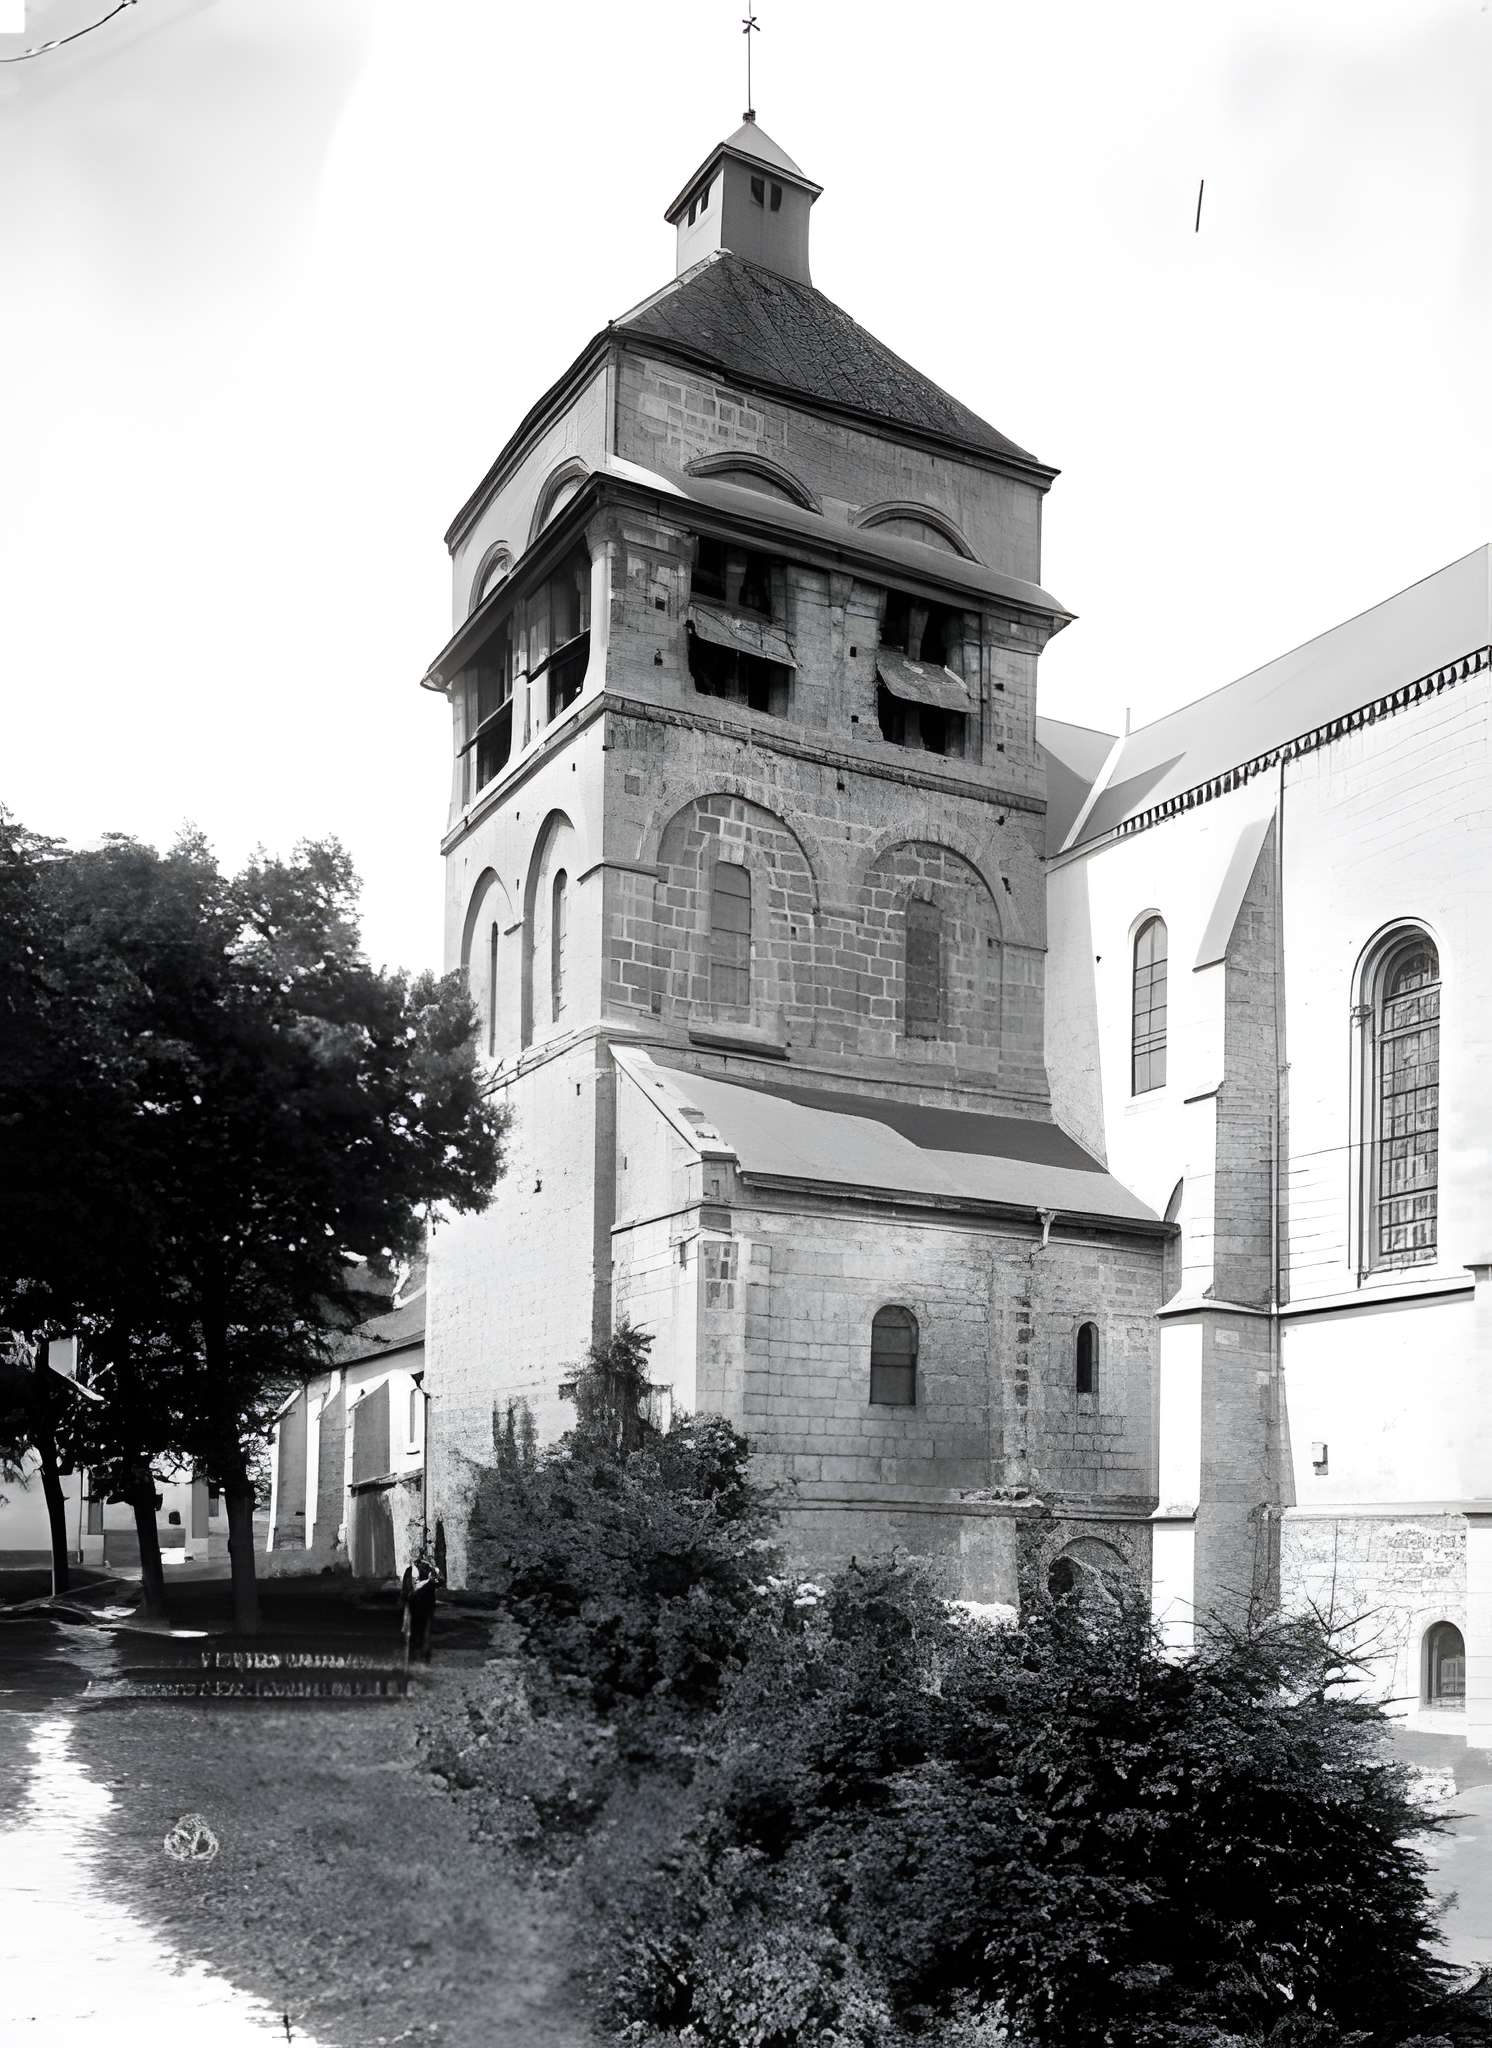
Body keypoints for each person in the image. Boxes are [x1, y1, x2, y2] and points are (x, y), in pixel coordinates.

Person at [400, 1549, 442, 1665]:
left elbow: (406, 1590)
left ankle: (418, 1657)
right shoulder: (420, 1570)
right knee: (421, 1632)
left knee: (419, 1632)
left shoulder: (420, 1570)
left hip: (420, 1604)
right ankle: (420, 1657)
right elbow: (438, 1582)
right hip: (421, 1605)